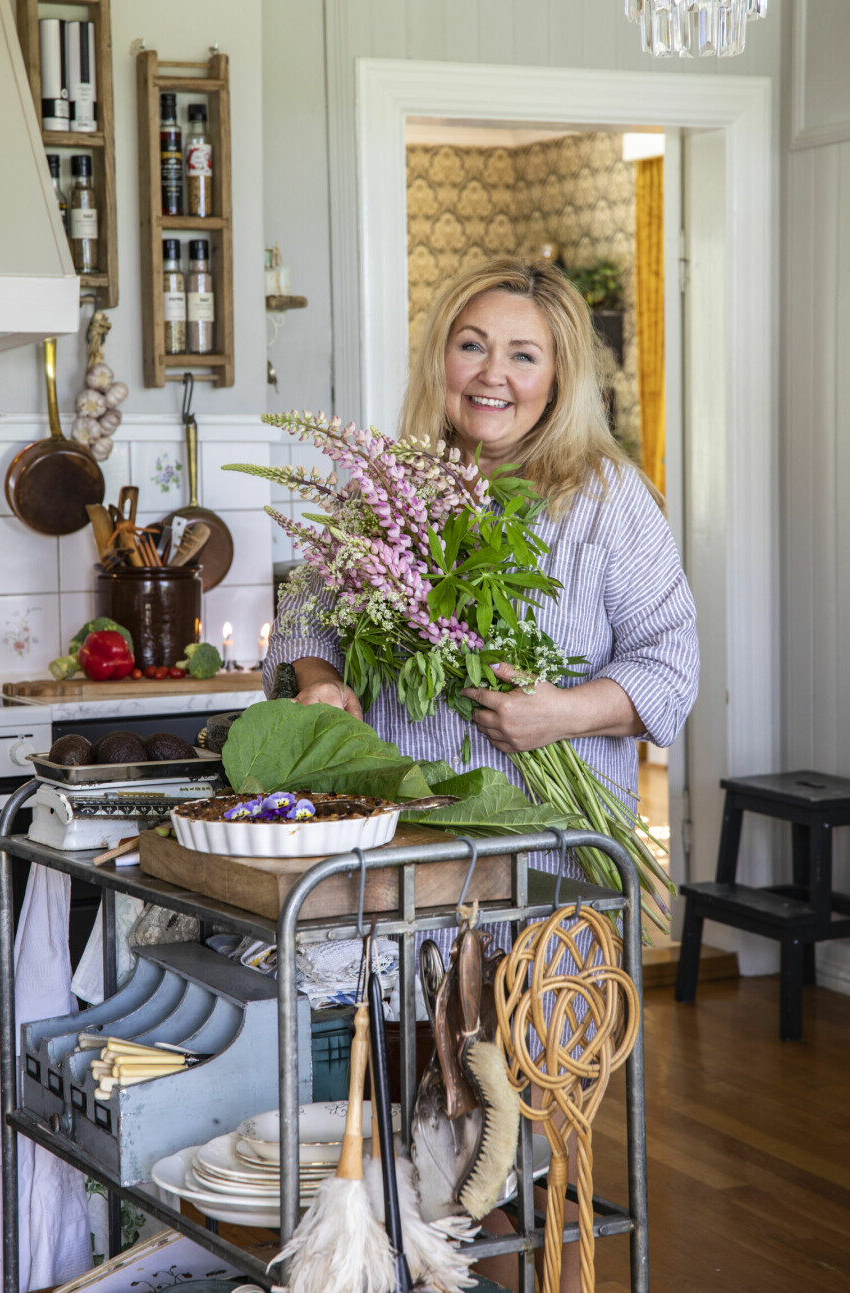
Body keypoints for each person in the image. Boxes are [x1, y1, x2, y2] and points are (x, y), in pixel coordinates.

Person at [263, 257, 699, 1290]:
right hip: (401, 849)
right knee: (402, 1093)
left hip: (540, 859)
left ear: (556, 377)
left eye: (521, 353)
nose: (491, 374)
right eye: (472, 345)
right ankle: (396, 1262)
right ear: (439, 358)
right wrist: (320, 683)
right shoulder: (384, 489)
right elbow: (305, 626)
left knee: (513, 1116)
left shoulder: (603, 497)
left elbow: (669, 663)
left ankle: (487, 1264)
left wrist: (559, 712)